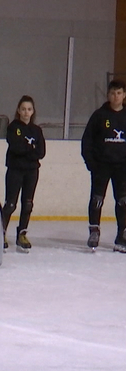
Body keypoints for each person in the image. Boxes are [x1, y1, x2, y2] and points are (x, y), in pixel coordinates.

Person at [81, 79, 126, 252]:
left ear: (124, 95)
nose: (116, 96)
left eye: (119, 93)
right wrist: (91, 163)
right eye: (113, 93)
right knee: (97, 199)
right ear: (108, 95)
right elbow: (87, 141)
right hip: (102, 166)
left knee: (123, 201)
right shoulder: (99, 115)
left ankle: (121, 235)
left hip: (122, 167)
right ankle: (94, 230)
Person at [2, 95, 45, 252]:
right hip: (15, 170)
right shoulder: (13, 127)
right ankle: (1, 232)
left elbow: (41, 152)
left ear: (33, 111)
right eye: (23, 109)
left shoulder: (37, 130)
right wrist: (30, 150)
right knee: (10, 204)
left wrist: (28, 151)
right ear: (18, 111)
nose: (26, 112)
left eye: (29, 109)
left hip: (32, 172)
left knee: (27, 204)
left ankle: (22, 233)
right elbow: (16, 147)